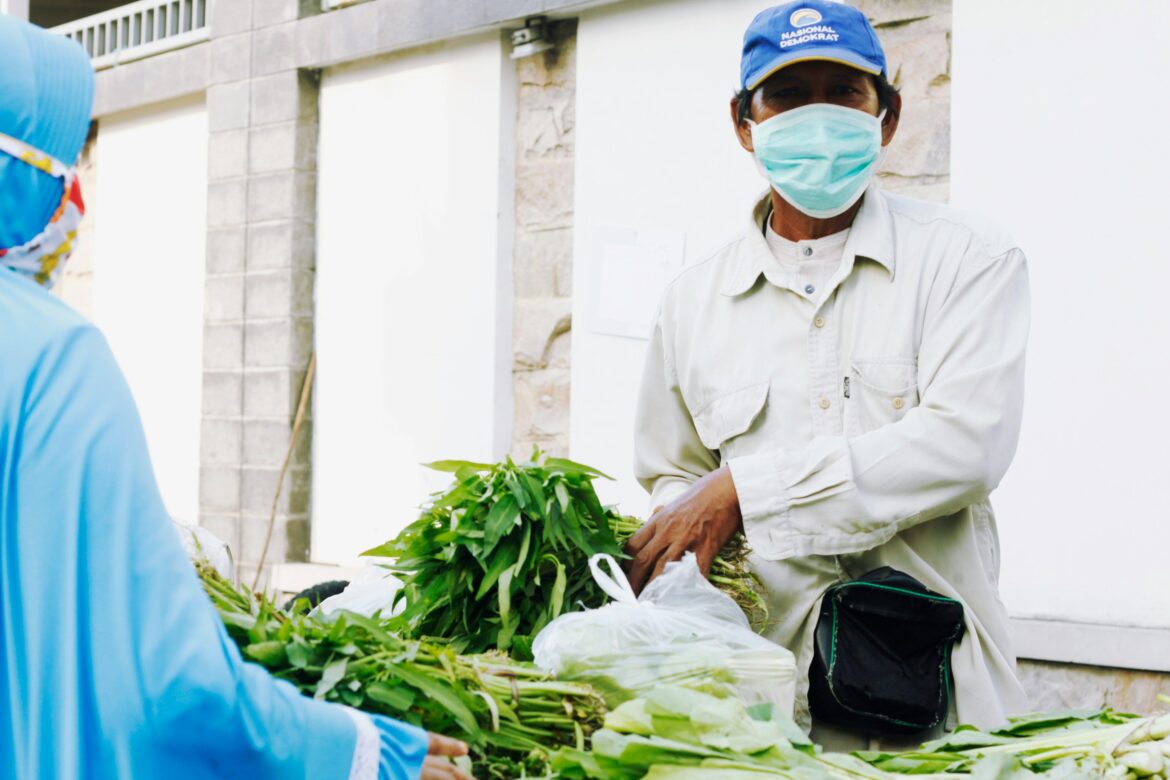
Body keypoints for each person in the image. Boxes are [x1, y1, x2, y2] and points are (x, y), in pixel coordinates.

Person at [0, 16, 470, 780]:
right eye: (66, 162)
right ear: (20, 175)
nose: (77, 191)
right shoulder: (53, 361)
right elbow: (166, 688)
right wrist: (358, 754)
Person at [627, 0, 1031, 747]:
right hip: (762, 722)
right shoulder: (692, 303)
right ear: (743, 122)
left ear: (888, 114)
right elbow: (672, 482)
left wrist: (747, 490)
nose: (817, 116)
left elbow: (966, 444)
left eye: (843, 92)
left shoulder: (967, 259)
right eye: (787, 94)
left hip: (944, 715)